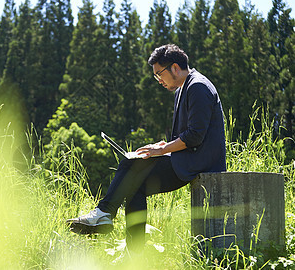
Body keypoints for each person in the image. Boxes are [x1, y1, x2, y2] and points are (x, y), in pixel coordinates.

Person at [66, 44, 226, 252]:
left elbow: (195, 136)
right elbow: (185, 136)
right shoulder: (183, 89)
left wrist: (162, 150)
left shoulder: (198, 86)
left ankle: (104, 213)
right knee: (135, 185)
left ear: (175, 68)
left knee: (130, 165)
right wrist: (162, 146)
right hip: (190, 157)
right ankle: (134, 254)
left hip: (201, 162)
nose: (159, 80)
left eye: (159, 74)